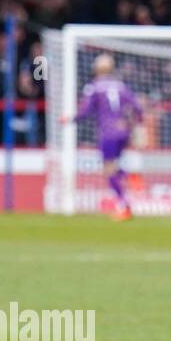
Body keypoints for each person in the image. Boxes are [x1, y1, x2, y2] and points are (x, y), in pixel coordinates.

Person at [65, 53, 144, 220]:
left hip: (108, 133)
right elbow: (137, 107)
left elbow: (85, 111)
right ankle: (128, 178)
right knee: (112, 168)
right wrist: (133, 125)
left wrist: (70, 118)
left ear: (96, 68)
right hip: (123, 132)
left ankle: (124, 205)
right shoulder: (121, 86)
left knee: (108, 170)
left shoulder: (94, 87)